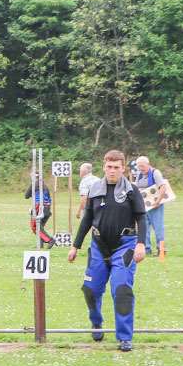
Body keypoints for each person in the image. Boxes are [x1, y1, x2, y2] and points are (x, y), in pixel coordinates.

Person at [67, 149, 147, 352]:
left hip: (125, 246)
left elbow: (141, 218)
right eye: (109, 167)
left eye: (116, 167)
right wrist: (75, 246)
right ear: (104, 166)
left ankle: (124, 338)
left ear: (123, 168)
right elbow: (86, 219)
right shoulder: (94, 189)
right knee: (90, 291)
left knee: (121, 290)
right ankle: (96, 323)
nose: (112, 171)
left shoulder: (131, 190)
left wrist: (140, 244)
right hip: (98, 246)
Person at [134, 156, 174, 259]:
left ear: (148, 164)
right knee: (144, 227)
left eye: (142, 166)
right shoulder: (139, 174)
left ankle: (161, 250)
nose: (141, 168)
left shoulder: (155, 173)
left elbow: (163, 187)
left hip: (156, 205)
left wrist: (158, 201)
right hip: (143, 206)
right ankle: (146, 249)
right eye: (139, 167)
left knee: (158, 227)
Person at [24, 172, 55, 248]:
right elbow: (48, 198)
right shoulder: (45, 186)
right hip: (47, 208)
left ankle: (50, 240)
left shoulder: (34, 185)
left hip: (39, 207)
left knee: (35, 227)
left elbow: (26, 196)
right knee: (40, 227)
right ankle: (40, 245)